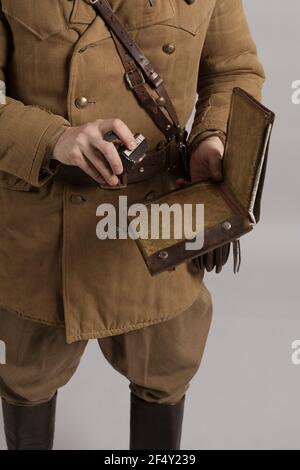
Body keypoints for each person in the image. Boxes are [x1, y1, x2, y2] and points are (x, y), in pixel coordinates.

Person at [0, 0, 264, 450]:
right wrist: (53, 138)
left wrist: (212, 138)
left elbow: (233, 69)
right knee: (27, 377)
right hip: (42, 225)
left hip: (159, 213)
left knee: (167, 367)